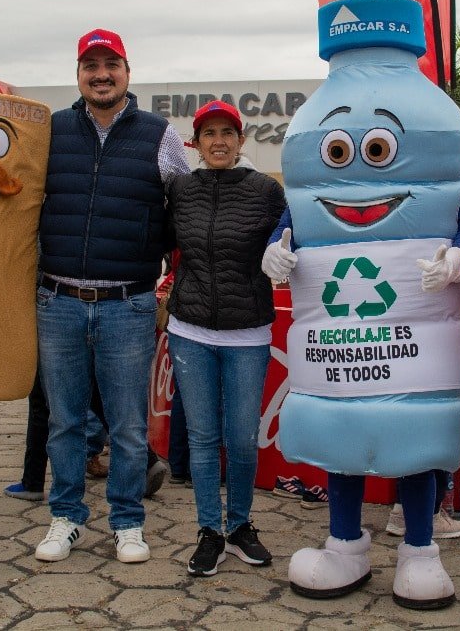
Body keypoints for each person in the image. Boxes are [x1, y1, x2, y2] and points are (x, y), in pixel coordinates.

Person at [34, 28, 190, 565]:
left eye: (111, 65)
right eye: (90, 66)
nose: (101, 75)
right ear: (78, 74)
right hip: (58, 301)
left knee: (127, 424)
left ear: (128, 70)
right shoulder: (51, 131)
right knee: (65, 421)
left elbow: (185, 209)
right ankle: (66, 517)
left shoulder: (160, 134)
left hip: (129, 303)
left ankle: (127, 521)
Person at [164, 100, 286, 577]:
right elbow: (156, 238)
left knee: (240, 437)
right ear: (196, 143)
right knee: (201, 436)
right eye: (208, 133)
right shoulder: (180, 190)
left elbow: (290, 232)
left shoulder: (265, 191)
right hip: (189, 330)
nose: (218, 141)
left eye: (227, 133)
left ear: (241, 141)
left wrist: (283, 249)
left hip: (247, 332)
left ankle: (239, 526)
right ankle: (209, 532)